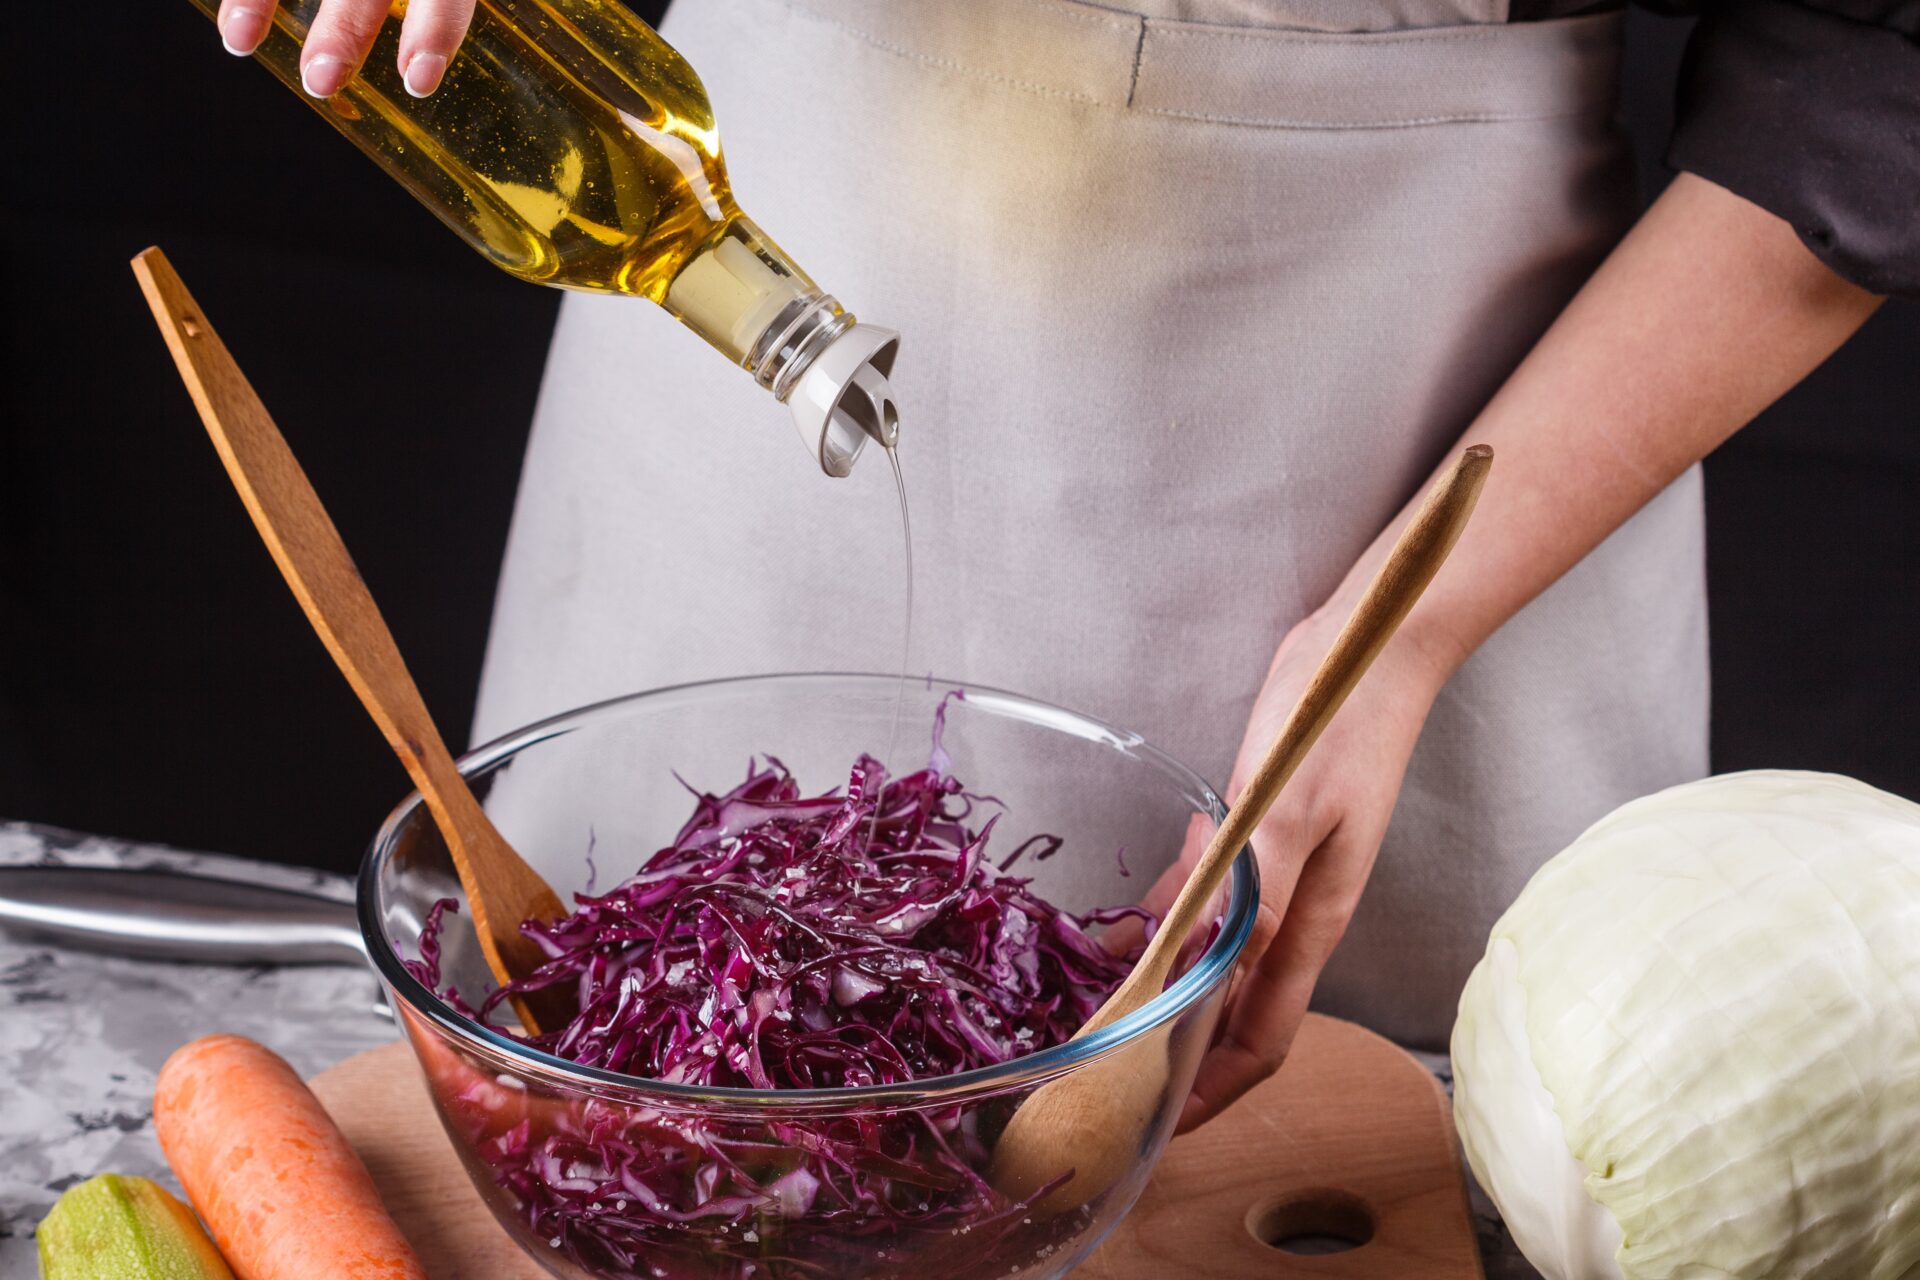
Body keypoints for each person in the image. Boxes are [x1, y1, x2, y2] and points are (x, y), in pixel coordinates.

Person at [216, 0, 1915, 1129]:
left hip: (1423, 419)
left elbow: (1874, 68)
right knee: (619, 1101)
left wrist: (1406, 633)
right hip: (741, 257)